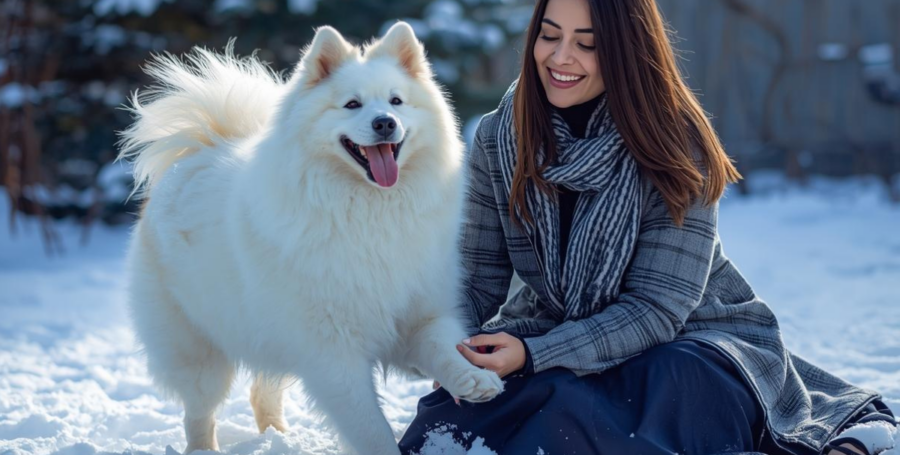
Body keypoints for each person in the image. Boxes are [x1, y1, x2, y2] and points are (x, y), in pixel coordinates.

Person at [398, 0, 898, 454]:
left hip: (689, 338)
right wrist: (452, 353)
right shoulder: (499, 137)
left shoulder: (676, 141)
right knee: (458, 422)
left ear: (625, 50)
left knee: (633, 391)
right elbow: (480, 274)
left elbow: (656, 309)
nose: (560, 57)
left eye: (587, 44)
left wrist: (534, 354)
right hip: (558, 333)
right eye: (549, 36)